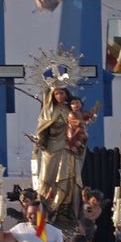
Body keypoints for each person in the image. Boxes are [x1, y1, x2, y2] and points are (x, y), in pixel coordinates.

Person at [32, 87, 81, 228]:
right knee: (47, 178)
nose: (59, 96)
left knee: (65, 178)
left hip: (66, 147)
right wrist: (41, 139)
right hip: (50, 149)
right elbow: (42, 128)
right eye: (56, 93)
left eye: (62, 93)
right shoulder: (48, 109)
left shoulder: (70, 109)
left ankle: (61, 210)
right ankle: (44, 211)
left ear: (66, 94)